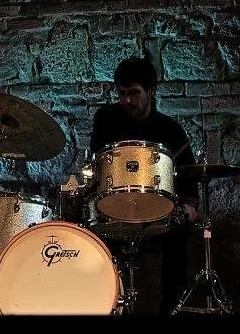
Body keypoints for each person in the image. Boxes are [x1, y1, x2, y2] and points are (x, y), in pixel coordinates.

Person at [86, 55, 201, 315]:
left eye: (134, 93)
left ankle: (170, 309)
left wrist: (190, 204)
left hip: (157, 209)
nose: (127, 100)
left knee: (179, 233)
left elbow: (188, 172)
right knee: (90, 237)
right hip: (113, 206)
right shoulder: (106, 120)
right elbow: (97, 166)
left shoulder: (169, 129)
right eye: (122, 94)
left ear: (151, 91)